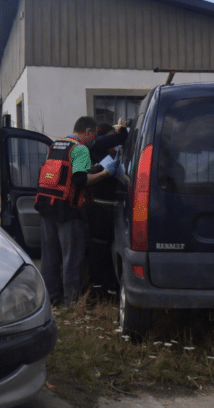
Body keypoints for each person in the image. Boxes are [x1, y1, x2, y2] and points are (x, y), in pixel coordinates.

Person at [35, 116, 113, 305]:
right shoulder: (80, 149)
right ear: (88, 132)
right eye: (94, 135)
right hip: (67, 209)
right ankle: (71, 301)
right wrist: (104, 173)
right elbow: (80, 180)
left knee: (49, 256)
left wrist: (91, 169)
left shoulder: (56, 145)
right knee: (71, 257)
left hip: (46, 204)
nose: (94, 139)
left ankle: (51, 298)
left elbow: (59, 172)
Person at [85, 118, 129, 297]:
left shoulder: (104, 155)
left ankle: (107, 285)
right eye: (110, 138)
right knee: (101, 247)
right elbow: (118, 139)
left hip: (107, 207)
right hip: (100, 208)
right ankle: (100, 286)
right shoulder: (97, 146)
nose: (113, 144)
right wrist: (122, 131)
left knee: (106, 247)